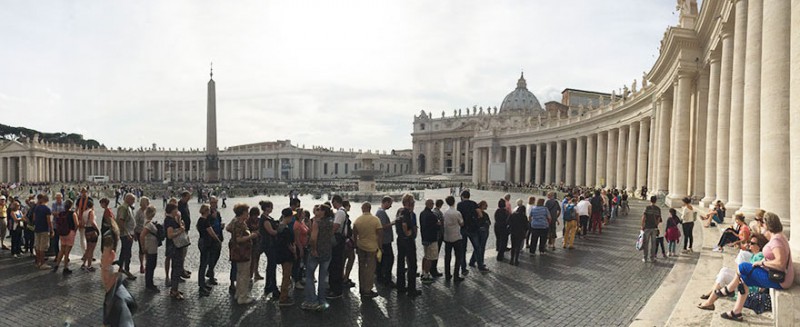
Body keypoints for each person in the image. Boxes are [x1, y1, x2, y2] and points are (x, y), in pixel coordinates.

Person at [718, 213, 793, 322]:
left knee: (743, 267)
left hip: (780, 280)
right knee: (744, 277)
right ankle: (736, 312)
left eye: (762, 223)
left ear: (767, 224)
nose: (761, 225)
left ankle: (729, 290)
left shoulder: (777, 241)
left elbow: (780, 264)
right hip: (778, 276)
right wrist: (763, 261)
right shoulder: (779, 237)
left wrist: (762, 263)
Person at [697, 233, 768, 308]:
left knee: (724, 274)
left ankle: (710, 301)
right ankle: (711, 295)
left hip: (750, 286)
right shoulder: (755, 255)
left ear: (759, 246)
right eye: (749, 242)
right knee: (724, 270)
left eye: (752, 243)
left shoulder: (759, 256)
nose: (749, 244)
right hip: (747, 282)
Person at [302, 204, 334, 311]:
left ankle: (312, 301)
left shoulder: (317, 223)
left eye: (319, 209)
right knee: (322, 278)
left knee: (310, 276)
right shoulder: (330, 221)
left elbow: (313, 238)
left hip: (316, 253)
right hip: (327, 252)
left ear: (323, 212)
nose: (317, 211)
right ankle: (322, 301)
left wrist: (314, 249)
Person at [228, 203, 259, 305]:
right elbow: (238, 239)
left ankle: (239, 293)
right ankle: (243, 296)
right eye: (246, 212)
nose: (248, 214)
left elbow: (229, 229)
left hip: (240, 251)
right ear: (242, 213)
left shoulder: (237, 222)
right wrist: (251, 236)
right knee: (244, 274)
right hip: (242, 252)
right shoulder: (239, 223)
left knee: (240, 273)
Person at [352, 202, 382, 297]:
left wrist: (356, 246)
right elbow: (380, 234)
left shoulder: (357, 220)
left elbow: (354, 235)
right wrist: (380, 247)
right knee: (370, 268)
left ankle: (361, 287)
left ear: (362, 209)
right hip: (372, 247)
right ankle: (367, 289)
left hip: (361, 246)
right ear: (370, 208)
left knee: (361, 267)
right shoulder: (375, 220)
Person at [395, 193, 421, 297]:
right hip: (407, 240)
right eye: (413, 202)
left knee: (400, 263)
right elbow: (405, 224)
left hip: (400, 240)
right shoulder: (406, 212)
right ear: (409, 202)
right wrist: (408, 232)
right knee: (412, 264)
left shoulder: (399, 211)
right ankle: (411, 289)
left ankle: (400, 287)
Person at [197, 204, 221, 297]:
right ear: (207, 211)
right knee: (203, 264)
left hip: (202, 241)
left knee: (203, 264)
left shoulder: (200, 220)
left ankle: (202, 284)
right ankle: (201, 286)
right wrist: (218, 240)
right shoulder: (205, 221)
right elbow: (211, 233)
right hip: (206, 243)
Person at [165, 203, 188, 300]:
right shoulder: (170, 221)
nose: (177, 211)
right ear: (172, 210)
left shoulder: (172, 219)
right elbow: (170, 235)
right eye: (176, 209)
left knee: (176, 268)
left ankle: (174, 288)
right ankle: (174, 290)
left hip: (174, 247)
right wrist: (181, 230)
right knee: (176, 268)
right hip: (174, 247)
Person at [327, 195, 347, 299]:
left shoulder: (339, 212)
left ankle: (335, 289)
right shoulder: (343, 211)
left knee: (335, 264)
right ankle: (336, 288)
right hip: (341, 240)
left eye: (332, 202)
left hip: (338, 241)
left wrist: (327, 236)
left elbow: (335, 227)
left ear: (335, 201)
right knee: (337, 264)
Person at [275, 208, 296, 306]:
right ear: (289, 217)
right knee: (286, 276)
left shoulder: (280, 226)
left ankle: (284, 295)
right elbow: (289, 244)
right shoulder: (285, 229)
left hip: (281, 253)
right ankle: (283, 298)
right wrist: (294, 252)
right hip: (287, 255)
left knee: (286, 275)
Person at [259, 200, 279, 299]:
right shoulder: (265, 219)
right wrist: (280, 230)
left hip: (268, 244)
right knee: (272, 265)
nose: (272, 209)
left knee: (271, 265)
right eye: (271, 207)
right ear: (267, 208)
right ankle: (272, 286)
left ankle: (269, 285)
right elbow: (271, 232)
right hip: (269, 244)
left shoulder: (266, 217)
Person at [53, 199, 79, 274]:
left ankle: (57, 265)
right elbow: (76, 224)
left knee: (62, 250)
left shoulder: (61, 213)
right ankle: (65, 267)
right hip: (70, 232)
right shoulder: (73, 213)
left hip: (62, 233)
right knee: (67, 251)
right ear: (71, 205)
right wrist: (74, 231)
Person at [442, 196, 465, 281]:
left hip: (447, 237)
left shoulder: (444, 212)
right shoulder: (457, 213)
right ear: (454, 202)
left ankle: (447, 274)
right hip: (456, 236)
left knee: (447, 257)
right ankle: (456, 275)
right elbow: (461, 224)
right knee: (458, 257)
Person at [457, 190, 479, 275]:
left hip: (463, 228)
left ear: (462, 196)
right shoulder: (473, 203)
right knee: (477, 247)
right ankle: (476, 263)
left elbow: (459, 216)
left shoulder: (459, 204)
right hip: (472, 228)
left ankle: (463, 268)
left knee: (463, 249)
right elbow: (479, 214)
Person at [375, 196, 395, 287]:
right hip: (385, 241)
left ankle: (380, 277)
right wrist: (393, 223)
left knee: (381, 260)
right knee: (389, 259)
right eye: (390, 204)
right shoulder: (381, 213)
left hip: (383, 241)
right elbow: (382, 227)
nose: (390, 206)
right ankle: (387, 279)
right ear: (386, 202)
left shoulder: (379, 212)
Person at [116, 193, 137, 280]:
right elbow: (121, 221)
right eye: (133, 200)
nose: (134, 201)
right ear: (127, 199)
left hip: (128, 232)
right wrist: (128, 233)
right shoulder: (123, 208)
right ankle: (127, 270)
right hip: (125, 234)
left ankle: (121, 267)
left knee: (124, 251)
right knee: (127, 252)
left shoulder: (128, 207)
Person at [139, 206, 160, 292]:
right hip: (150, 248)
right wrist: (143, 247)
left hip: (152, 247)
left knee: (151, 265)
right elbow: (142, 235)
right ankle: (149, 284)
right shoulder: (149, 224)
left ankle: (150, 283)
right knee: (150, 266)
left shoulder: (149, 223)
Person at [419, 199, 440, 283]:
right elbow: (437, 227)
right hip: (431, 239)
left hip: (424, 237)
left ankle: (423, 272)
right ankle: (426, 276)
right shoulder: (432, 215)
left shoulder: (422, 213)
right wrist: (438, 224)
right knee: (430, 258)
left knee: (425, 256)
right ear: (430, 204)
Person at [205, 197, 224, 286]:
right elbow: (207, 225)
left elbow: (218, 223)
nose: (214, 204)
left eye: (215, 202)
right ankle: (211, 276)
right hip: (211, 238)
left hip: (219, 236)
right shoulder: (208, 213)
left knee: (217, 256)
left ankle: (210, 271)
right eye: (212, 202)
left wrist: (221, 226)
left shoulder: (218, 213)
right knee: (212, 257)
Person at [33, 193, 54, 270]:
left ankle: (38, 262)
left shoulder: (37, 208)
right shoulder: (47, 209)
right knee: (43, 247)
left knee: (37, 246)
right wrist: (52, 230)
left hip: (37, 229)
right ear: (47, 200)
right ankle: (42, 263)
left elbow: (34, 218)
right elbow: (49, 221)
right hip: (44, 229)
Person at [293, 208, 310, 290]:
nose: (304, 214)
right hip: (299, 246)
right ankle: (296, 281)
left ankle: (300, 279)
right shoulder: (297, 224)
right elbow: (297, 238)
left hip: (304, 246)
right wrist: (300, 249)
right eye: (303, 213)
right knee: (298, 264)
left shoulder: (302, 222)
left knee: (302, 264)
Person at [508, 199, 529, 266]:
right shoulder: (524, 217)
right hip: (520, 233)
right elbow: (527, 226)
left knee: (513, 246)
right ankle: (516, 260)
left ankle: (511, 259)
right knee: (518, 247)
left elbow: (508, 222)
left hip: (513, 232)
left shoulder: (513, 215)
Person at [641, 196, 662, 263]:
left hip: (647, 227)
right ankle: (652, 258)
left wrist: (642, 226)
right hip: (654, 228)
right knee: (653, 244)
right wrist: (656, 225)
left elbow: (644, 217)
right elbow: (659, 219)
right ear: (655, 201)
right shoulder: (658, 209)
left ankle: (645, 258)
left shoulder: (647, 208)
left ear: (650, 200)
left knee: (646, 243)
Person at [342, 201, 357, 289]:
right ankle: (346, 277)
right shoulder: (345, 216)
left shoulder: (342, 215)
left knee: (343, 259)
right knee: (351, 258)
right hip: (347, 242)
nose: (350, 207)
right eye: (349, 206)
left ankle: (343, 276)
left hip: (344, 242)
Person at [134, 197, 149, 275]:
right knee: (142, 249)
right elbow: (135, 223)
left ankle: (146, 265)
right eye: (147, 203)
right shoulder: (139, 212)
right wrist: (135, 234)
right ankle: (141, 265)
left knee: (147, 249)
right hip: (140, 232)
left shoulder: (147, 211)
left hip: (147, 232)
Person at [247, 207, 263, 281]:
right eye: (254, 215)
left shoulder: (259, 220)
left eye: (256, 215)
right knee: (252, 259)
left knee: (257, 258)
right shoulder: (248, 221)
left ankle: (256, 273)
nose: (255, 217)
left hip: (258, 242)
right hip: (250, 242)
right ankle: (250, 275)